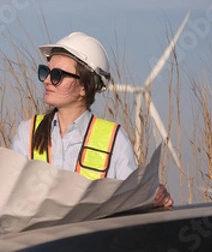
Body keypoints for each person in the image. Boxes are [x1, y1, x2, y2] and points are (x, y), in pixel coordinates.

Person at [11, 32, 173, 208]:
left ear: (85, 87)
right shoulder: (28, 132)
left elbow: (132, 199)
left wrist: (153, 196)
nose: (47, 81)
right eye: (45, 71)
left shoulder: (114, 139)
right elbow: (10, 195)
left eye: (57, 75)